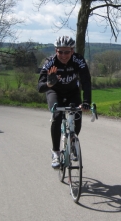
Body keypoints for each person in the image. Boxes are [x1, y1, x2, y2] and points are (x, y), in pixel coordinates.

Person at [38, 35, 92, 169]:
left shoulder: (78, 60)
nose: (63, 55)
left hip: (72, 91)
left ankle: (73, 140)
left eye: (67, 52)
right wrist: (49, 83)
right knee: (57, 115)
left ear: (72, 51)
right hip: (54, 92)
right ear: (56, 51)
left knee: (77, 114)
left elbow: (86, 81)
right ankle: (55, 152)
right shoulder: (50, 62)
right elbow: (40, 87)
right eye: (60, 51)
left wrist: (86, 101)